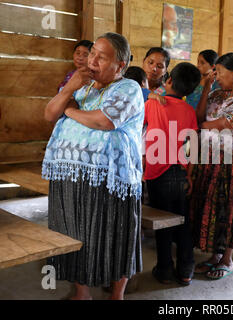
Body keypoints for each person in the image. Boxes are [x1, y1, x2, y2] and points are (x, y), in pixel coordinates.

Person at [42, 32, 144, 300]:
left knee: (115, 234)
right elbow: (49, 114)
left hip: (111, 179)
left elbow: (105, 121)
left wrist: (70, 111)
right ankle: (81, 292)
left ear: (120, 65)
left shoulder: (128, 88)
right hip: (72, 175)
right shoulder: (82, 86)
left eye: (101, 56)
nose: (92, 60)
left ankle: (116, 295)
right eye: (91, 53)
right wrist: (68, 90)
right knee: (75, 233)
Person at [190, 52, 233, 280]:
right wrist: (205, 88)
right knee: (214, 207)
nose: (216, 76)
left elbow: (225, 123)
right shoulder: (217, 93)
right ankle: (214, 256)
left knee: (231, 207)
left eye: (219, 72)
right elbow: (200, 114)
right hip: (211, 156)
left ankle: (227, 259)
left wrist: (202, 126)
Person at [143, 62, 201, 286]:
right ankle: (186, 270)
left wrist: (152, 97)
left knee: (162, 224)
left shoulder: (154, 105)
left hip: (157, 173)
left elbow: (141, 118)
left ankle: (165, 270)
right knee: (182, 221)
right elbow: (192, 145)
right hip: (180, 172)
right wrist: (190, 175)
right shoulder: (189, 111)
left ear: (168, 81)